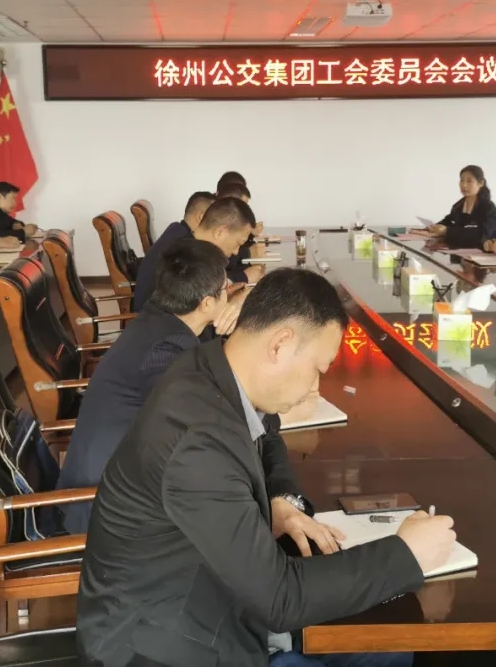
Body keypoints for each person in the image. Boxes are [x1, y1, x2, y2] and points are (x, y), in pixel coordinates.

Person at [76, 267, 457, 667]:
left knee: (387, 647)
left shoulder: (214, 370)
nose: (315, 388)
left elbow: (267, 433)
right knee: (387, 645)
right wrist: (407, 554)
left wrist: (280, 499)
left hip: (211, 595)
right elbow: (280, 599)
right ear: (280, 345)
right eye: (318, 369)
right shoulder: (197, 440)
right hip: (167, 646)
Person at [58, 239, 231, 534]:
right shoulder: (166, 349)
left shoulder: (159, 319)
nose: (230, 292)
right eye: (226, 288)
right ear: (206, 303)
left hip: (118, 480)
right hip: (104, 511)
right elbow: (201, 426)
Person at [133, 195, 256, 326]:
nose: (236, 252)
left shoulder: (181, 236)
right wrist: (233, 302)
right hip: (160, 328)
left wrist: (223, 295)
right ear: (220, 232)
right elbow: (192, 317)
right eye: (238, 243)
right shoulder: (187, 257)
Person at [427, 164, 496, 247]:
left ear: (481, 183)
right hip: (459, 250)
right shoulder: (458, 206)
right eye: (462, 180)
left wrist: (448, 231)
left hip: (483, 251)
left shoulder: (488, 208)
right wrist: (433, 228)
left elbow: (482, 234)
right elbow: (448, 221)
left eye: (469, 181)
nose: (464, 185)